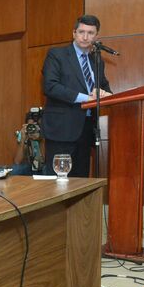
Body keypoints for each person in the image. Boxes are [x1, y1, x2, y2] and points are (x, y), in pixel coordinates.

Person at [42, 14, 112, 177]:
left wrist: (103, 93)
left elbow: (105, 88)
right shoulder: (57, 55)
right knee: (58, 182)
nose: (85, 37)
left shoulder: (97, 60)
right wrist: (86, 98)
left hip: (86, 129)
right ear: (74, 33)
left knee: (81, 181)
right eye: (81, 32)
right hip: (61, 129)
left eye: (90, 33)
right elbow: (50, 86)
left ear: (96, 36)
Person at [11, 108, 46, 176]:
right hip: (30, 167)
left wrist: (41, 140)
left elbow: (44, 161)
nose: (33, 129)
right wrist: (23, 139)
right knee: (15, 169)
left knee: (46, 169)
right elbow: (17, 162)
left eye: (36, 126)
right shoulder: (25, 134)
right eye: (30, 126)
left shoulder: (46, 134)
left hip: (43, 168)